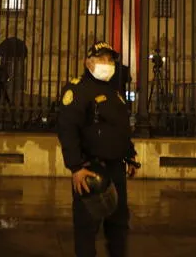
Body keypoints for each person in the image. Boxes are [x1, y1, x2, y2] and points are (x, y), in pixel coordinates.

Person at [57, 41, 140, 257]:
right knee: (87, 228)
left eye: (110, 59)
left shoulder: (114, 92)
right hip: (90, 170)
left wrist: (130, 156)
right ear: (88, 62)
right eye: (102, 58)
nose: (107, 63)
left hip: (116, 169)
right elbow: (67, 130)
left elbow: (121, 128)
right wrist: (75, 167)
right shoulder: (78, 90)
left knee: (118, 226)